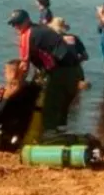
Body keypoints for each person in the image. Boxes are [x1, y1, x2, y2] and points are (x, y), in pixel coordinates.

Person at [7, 9, 79, 137]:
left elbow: (24, 65)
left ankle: (49, 132)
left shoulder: (27, 35)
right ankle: (59, 130)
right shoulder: (40, 29)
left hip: (61, 70)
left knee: (50, 102)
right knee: (61, 102)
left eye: (18, 23)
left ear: (27, 21)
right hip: (74, 69)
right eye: (14, 24)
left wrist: (16, 85)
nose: (16, 27)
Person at [0, 59, 42, 151]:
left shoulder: (12, 93)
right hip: (19, 134)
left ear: (14, 73)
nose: (4, 74)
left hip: (6, 138)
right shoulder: (31, 88)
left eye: (7, 71)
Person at [48, 17, 90, 90]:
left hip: (63, 73)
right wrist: (76, 61)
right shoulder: (74, 38)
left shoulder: (53, 40)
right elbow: (86, 56)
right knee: (77, 97)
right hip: (77, 71)